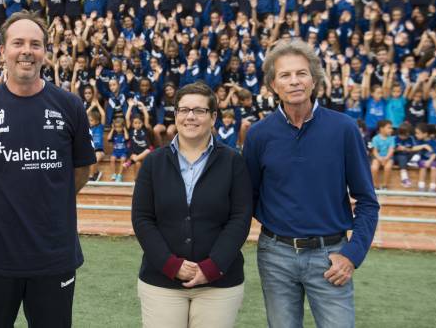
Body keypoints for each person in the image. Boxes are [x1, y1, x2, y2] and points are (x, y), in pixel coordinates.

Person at [0, 10, 96, 328]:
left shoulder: (70, 106)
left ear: (46, 51)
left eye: (35, 43)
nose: (27, 50)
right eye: (18, 43)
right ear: (2, 51)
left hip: (53, 256)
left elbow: (82, 170)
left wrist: (49, 199)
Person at [244, 39, 380, 328]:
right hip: (275, 256)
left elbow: (367, 201)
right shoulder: (258, 135)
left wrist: (352, 256)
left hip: (331, 257)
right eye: (285, 75)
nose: (294, 81)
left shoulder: (344, 129)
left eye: (301, 73)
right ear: (272, 85)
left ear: (314, 79)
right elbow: (250, 197)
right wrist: (282, 224)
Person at [132, 82, 252, 328]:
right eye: (184, 110)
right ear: (175, 115)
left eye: (199, 111)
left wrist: (212, 267)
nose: (190, 117)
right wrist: (171, 264)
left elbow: (240, 218)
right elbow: (142, 219)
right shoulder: (154, 162)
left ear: (213, 117)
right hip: (161, 281)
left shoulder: (233, 162)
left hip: (219, 283)